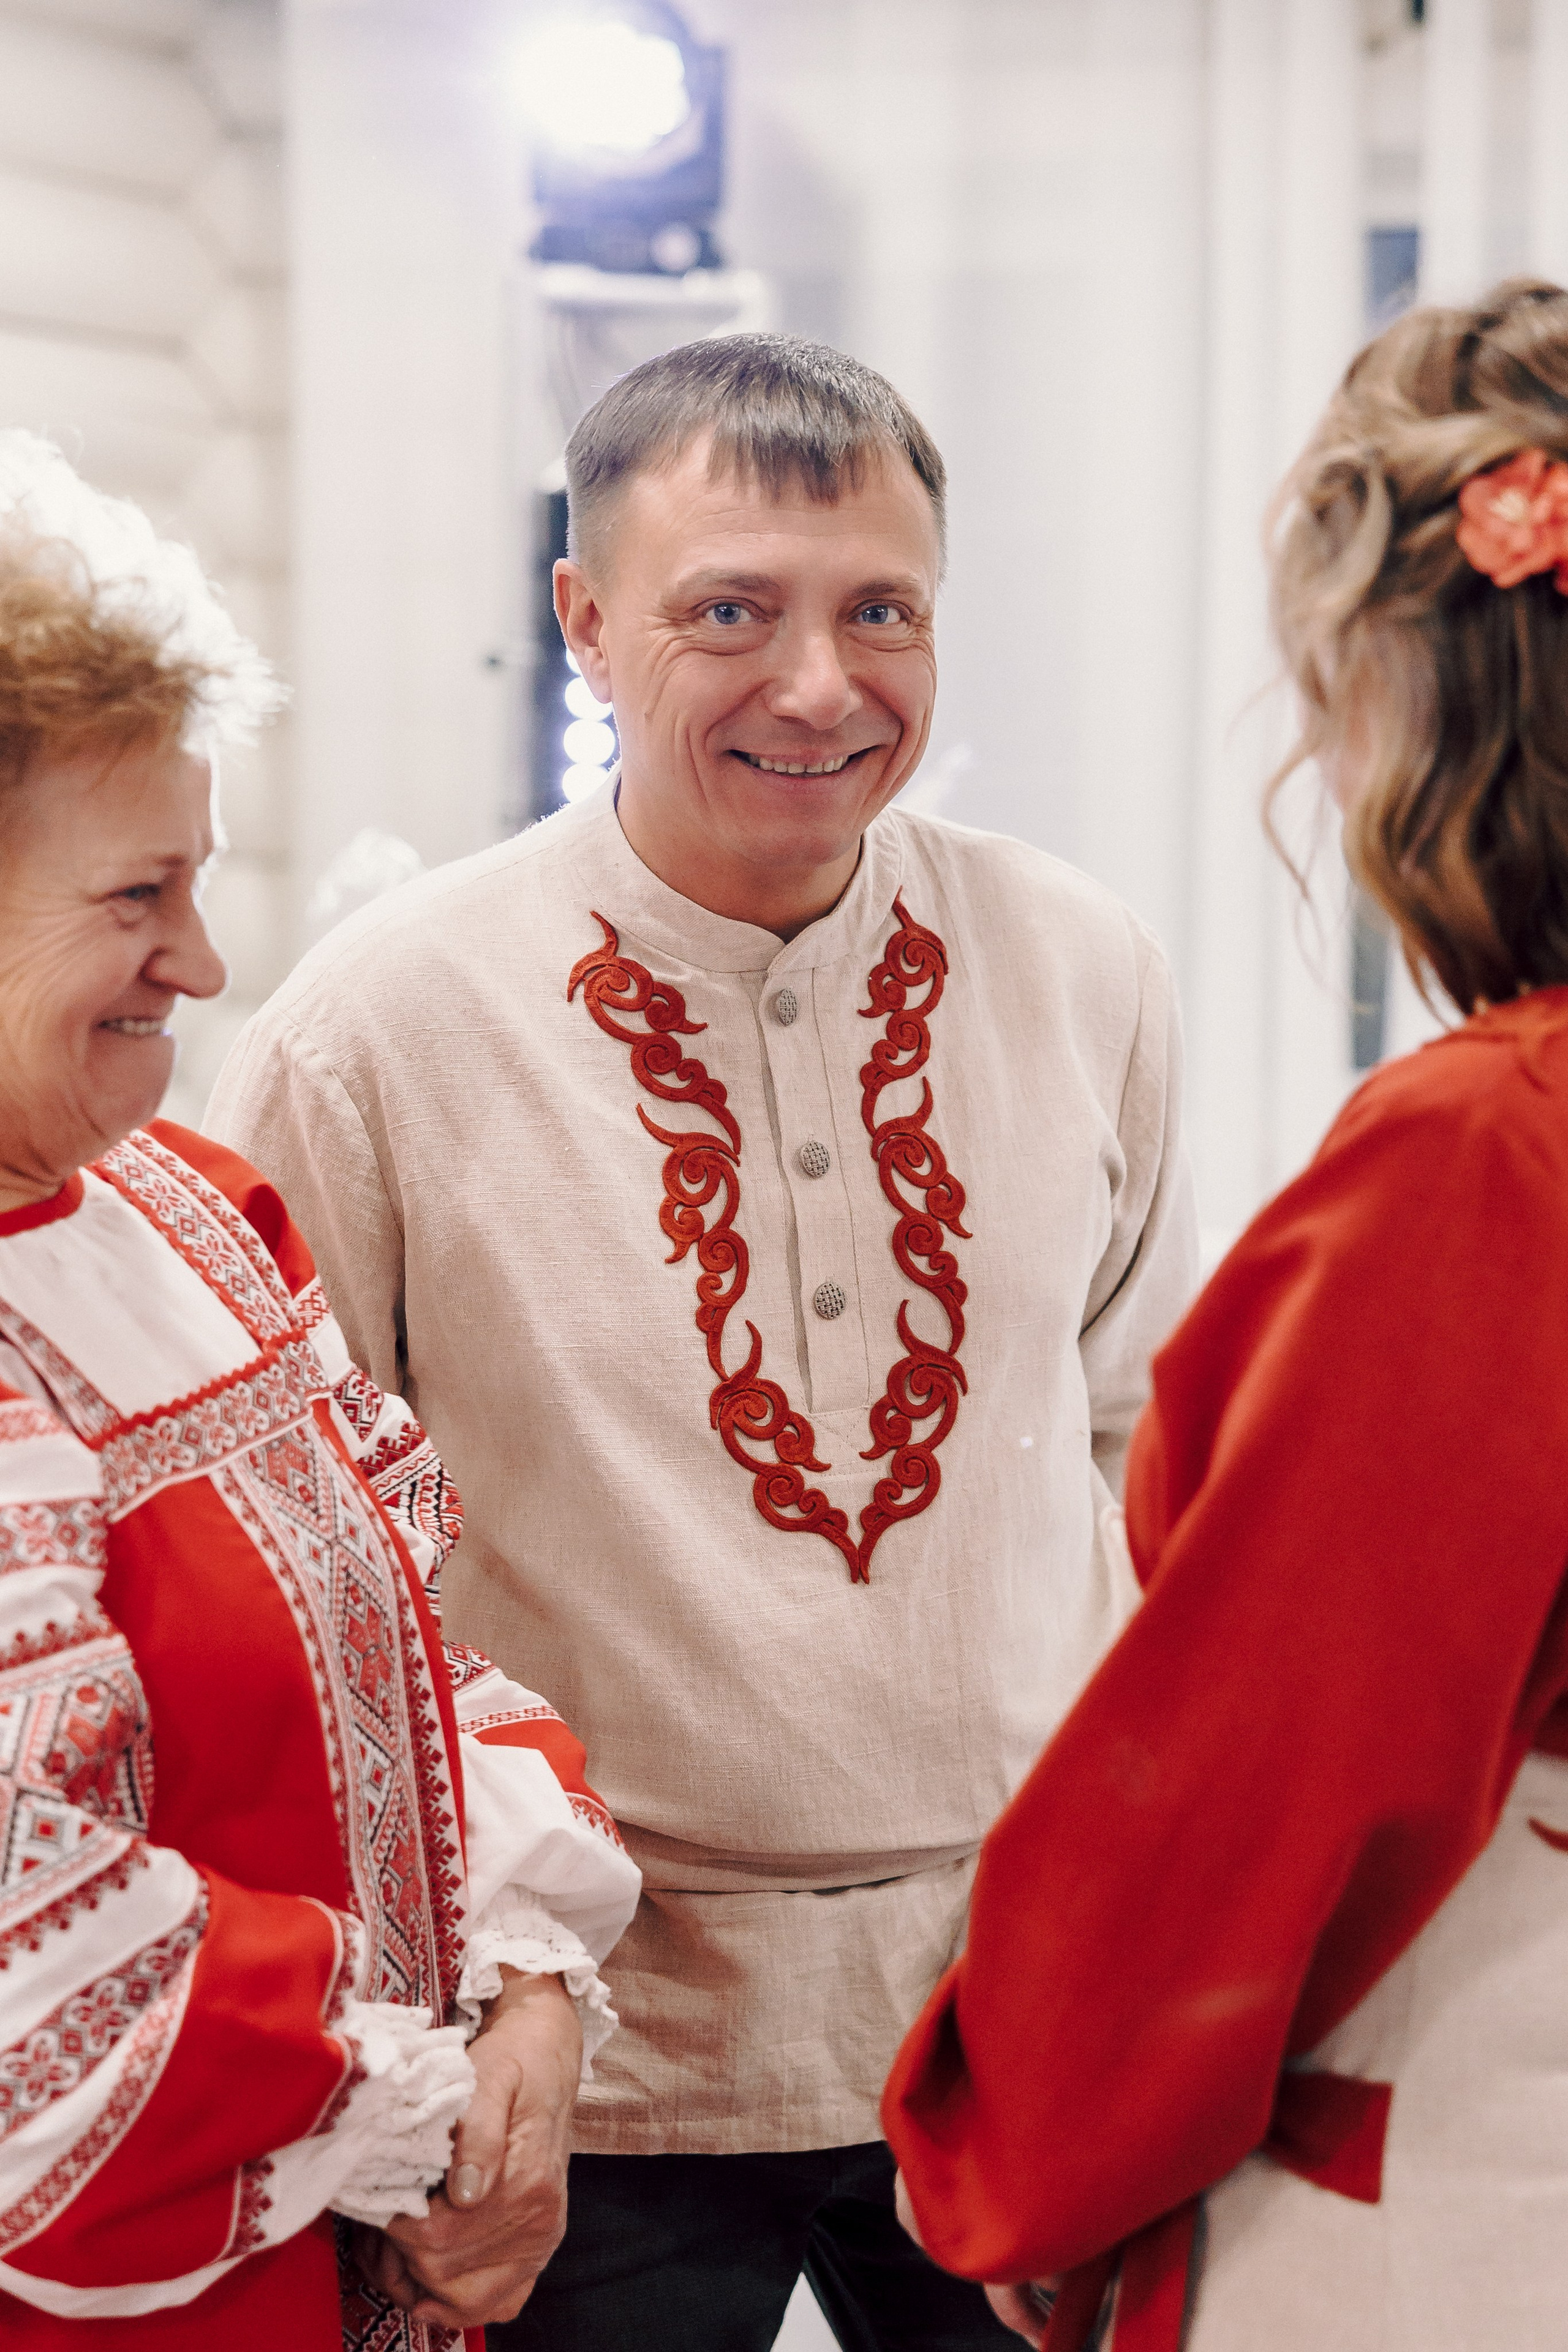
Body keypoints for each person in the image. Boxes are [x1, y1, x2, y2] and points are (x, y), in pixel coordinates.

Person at [208, 332, 1197, 2351]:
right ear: (582, 619)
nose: (820, 687)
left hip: (1009, 2014)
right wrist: (452, 2012)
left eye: (882, 612)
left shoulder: (1081, 961)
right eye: (729, 611)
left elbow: (1139, 1446)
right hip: (587, 2054)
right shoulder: (377, 1027)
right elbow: (301, 1582)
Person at [883, 274, 1568, 2352]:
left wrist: (1022, 2143)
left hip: (1460, 2168)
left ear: (1417, 690)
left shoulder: (1492, 1156)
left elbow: (1254, 1772)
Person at [0, 432, 640, 2352]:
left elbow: (417, 1665)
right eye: (139, 893)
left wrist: (529, 1990)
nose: (200, 958)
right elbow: (43, 1974)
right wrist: (429, 2117)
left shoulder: (200, 1211)